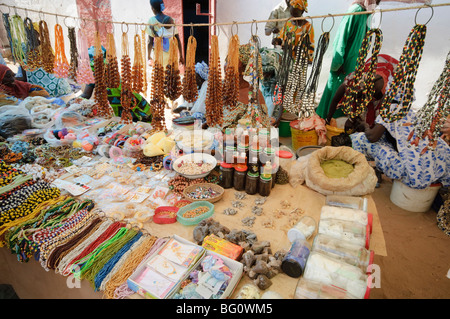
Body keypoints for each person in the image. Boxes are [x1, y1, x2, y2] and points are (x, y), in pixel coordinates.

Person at [350, 108, 450, 190]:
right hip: (441, 172)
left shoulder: (392, 109)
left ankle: (366, 174)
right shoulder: (418, 110)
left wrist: (365, 126)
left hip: (415, 179)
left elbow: (372, 137)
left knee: (360, 139)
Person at [316, 0, 381, 120]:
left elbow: (365, 40)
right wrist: (338, 61)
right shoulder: (355, 11)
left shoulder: (367, 13)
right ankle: (328, 119)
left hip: (355, 62)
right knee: (336, 91)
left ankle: (339, 121)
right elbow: (342, 36)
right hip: (344, 63)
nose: (377, 3)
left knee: (349, 93)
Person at [326, 54, 399, 133]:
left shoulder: (389, 92)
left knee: (378, 128)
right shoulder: (353, 80)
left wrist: (357, 122)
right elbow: (336, 99)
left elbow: (374, 135)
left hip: (392, 71)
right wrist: (327, 120)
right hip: (376, 65)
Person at [146, 0, 184, 67]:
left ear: (152, 8)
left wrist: (149, 56)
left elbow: (150, 41)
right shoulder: (171, 20)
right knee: (171, 74)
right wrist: (181, 55)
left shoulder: (151, 21)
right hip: (172, 53)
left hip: (159, 53)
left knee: (159, 74)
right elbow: (178, 39)